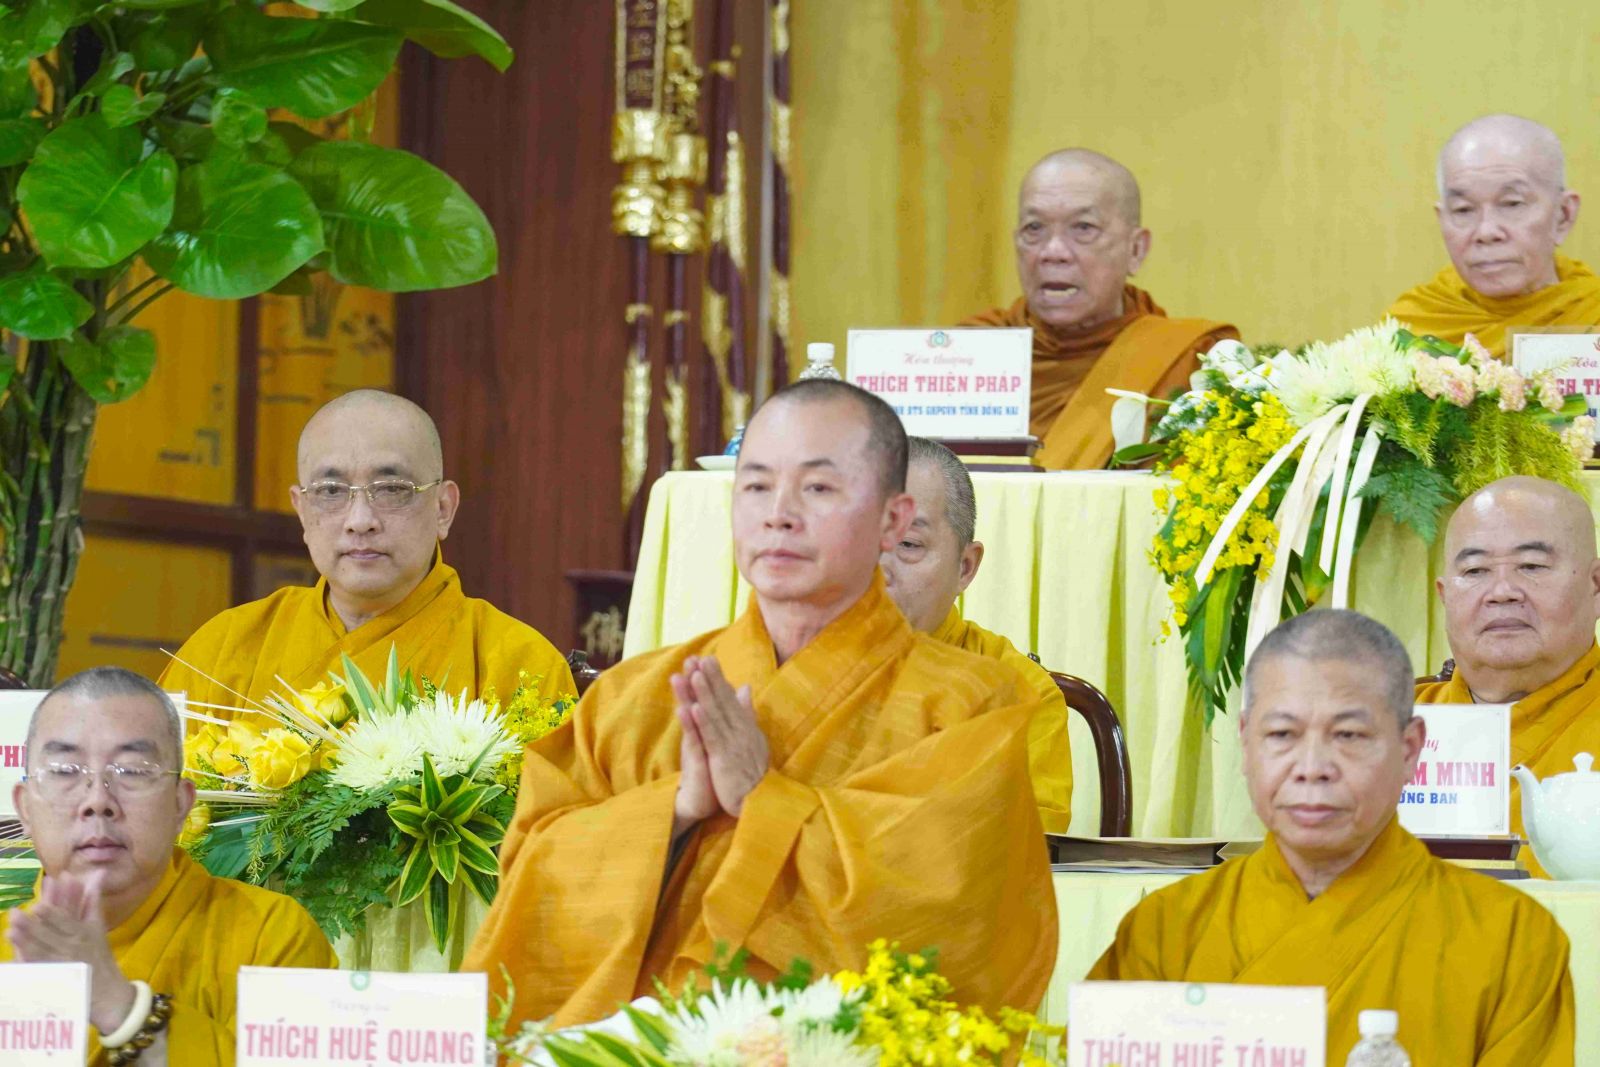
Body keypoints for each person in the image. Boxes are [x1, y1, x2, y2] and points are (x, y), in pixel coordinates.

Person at [467, 381, 1057, 1029]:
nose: (779, 513)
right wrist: (677, 808)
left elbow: (957, 923)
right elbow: (530, 887)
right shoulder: (632, 697)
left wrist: (759, 796)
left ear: (892, 520)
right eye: (755, 485)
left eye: (818, 487)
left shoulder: (973, 705)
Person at [1089, 610, 1574, 1064]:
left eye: (1348, 735)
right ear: (1246, 742)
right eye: (1282, 734)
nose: (1313, 767)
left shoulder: (1513, 937)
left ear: (1409, 750)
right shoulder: (1166, 929)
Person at [158, 389, 573, 715]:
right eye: (330, 491)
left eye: (391, 489)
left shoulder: (517, 664)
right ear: (302, 511)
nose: (360, 520)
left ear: (443, 509)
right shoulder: (223, 649)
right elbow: (157, 791)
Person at [2, 667, 336, 1065]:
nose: (97, 801)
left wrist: (119, 1005)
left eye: (132, 771)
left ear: (181, 804)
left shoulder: (270, 933)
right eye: (64, 772)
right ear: (25, 807)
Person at [963, 148, 1237, 469]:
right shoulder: (969, 353)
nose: (1053, 252)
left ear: (1136, 250)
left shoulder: (1189, 358)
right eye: (1034, 228)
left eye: (1083, 228)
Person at [879, 436, 1076, 832]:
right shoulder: (789, 668)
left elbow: (1023, 848)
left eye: (908, 544)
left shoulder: (1017, 694)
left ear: (965, 567)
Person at [1416, 475, 1600, 877]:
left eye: (1531, 566)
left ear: (1596, 586)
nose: (1502, 591)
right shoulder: (1383, 729)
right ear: (1445, 596)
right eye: (1475, 570)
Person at [1387, 114, 1599, 358]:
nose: (1486, 232)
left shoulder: (1592, 315)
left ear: (1563, 215)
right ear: (1442, 219)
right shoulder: (1412, 328)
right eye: (1463, 209)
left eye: (1512, 203)